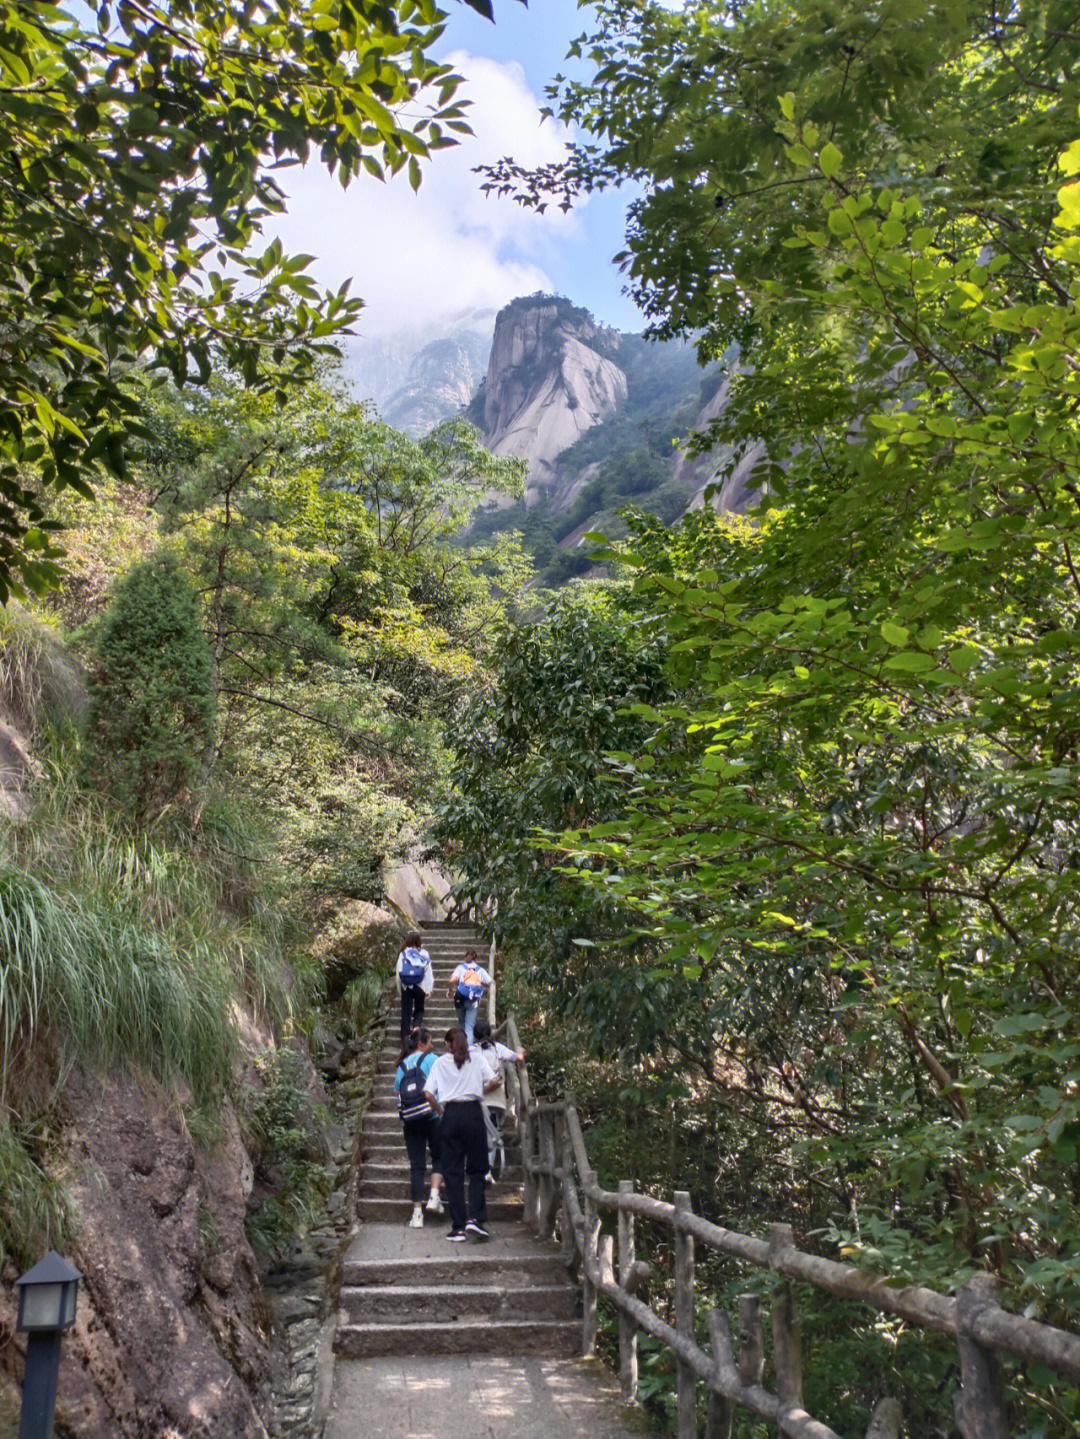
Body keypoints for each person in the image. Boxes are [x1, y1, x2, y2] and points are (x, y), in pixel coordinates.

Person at [423, 1027, 500, 1241]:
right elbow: (494, 1081)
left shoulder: (439, 1063)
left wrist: (439, 1110)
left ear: (448, 1045)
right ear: (466, 1042)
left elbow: (428, 1093)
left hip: (451, 1116)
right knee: (477, 1169)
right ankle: (475, 1219)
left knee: (453, 1172)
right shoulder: (476, 1060)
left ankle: (457, 1227)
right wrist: (478, 1091)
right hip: (473, 1113)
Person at [393, 1027, 444, 1228]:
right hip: (432, 1115)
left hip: (411, 1120)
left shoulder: (401, 1066)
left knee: (417, 1165)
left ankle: (417, 1215)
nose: (431, 1046)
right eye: (430, 1042)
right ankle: (433, 1197)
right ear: (422, 1044)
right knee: (439, 1156)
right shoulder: (432, 1059)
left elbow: (398, 1093)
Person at [472, 1018, 523, 1182]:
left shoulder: (471, 1050)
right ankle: (488, 1169)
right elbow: (517, 1058)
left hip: (478, 1098)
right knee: (493, 1132)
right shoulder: (497, 1048)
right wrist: (521, 1051)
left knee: (480, 1133)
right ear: (489, 1033)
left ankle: (479, 1168)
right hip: (496, 1099)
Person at [446, 947, 492, 1044]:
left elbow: (452, 981)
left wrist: (450, 991)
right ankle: (469, 1050)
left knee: (462, 1023)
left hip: (460, 998)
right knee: (470, 1027)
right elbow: (490, 981)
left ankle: (461, 1046)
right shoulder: (480, 970)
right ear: (476, 959)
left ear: (465, 957)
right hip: (473, 1000)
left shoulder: (460, 968)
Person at [396, 931, 432, 1042]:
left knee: (405, 1012)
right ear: (418, 941)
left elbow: (398, 973)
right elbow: (428, 973)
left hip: (406, 986)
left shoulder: (403, 954)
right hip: (420, 985)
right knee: (419, 1010)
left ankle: (404, 1038)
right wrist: (428, 989)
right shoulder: (424, 953)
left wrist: (400, 989)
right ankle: (416, 1029)